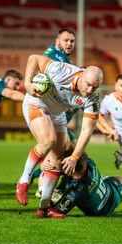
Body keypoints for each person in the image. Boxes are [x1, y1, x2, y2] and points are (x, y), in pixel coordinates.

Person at [16, 54, 103, 218]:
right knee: (48, 140)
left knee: (57, 161)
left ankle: (44, 208)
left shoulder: (93, 98)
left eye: (95, 87)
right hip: (37, 102)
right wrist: (27, 83)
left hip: (58, 114)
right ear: (82, 75)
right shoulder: (61, 71)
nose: (90, 90)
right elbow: (33, 58)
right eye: (89, 85)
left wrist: (75, 157)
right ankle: (24, 181)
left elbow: (86, 130)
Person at [32, 28, 76, 197]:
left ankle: (43, 183)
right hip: (47, 111)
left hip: (50, 111)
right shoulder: (56, 56)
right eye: (66, 40)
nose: (70, 43)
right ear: (57, 41)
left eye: (72, 41)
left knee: (64, 151)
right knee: (61, 153)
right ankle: (43, 187)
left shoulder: (62, 57)